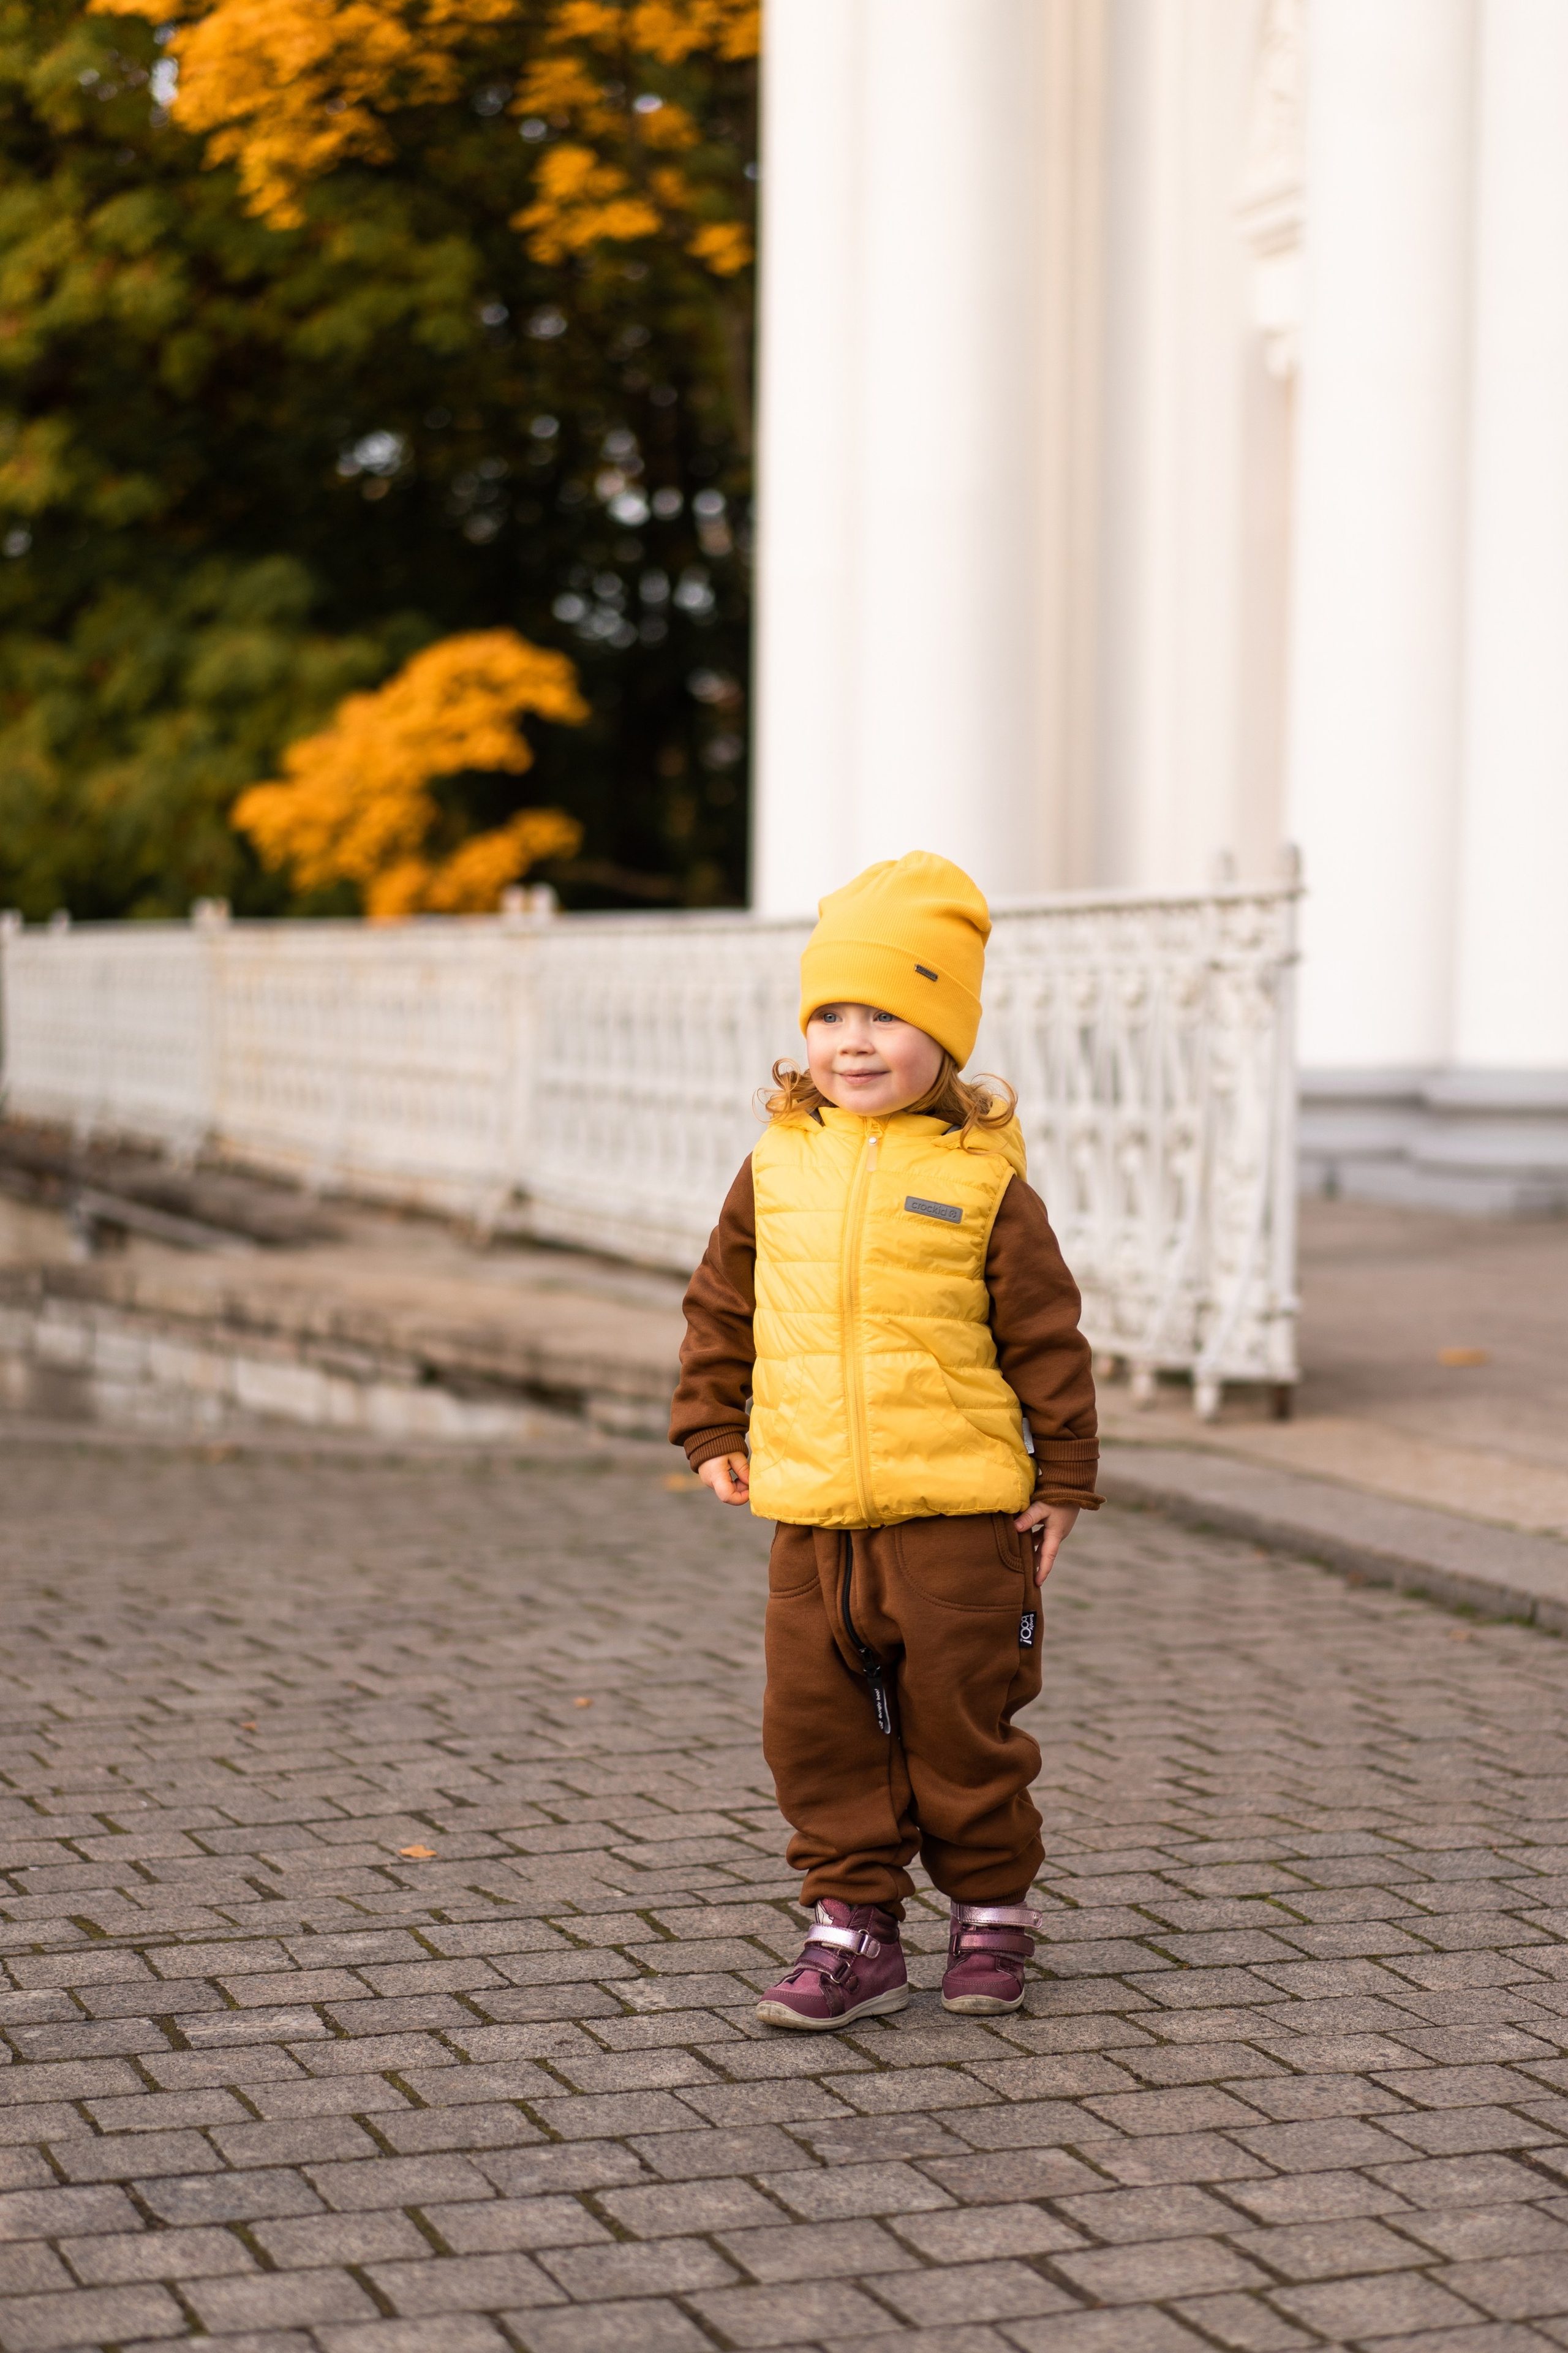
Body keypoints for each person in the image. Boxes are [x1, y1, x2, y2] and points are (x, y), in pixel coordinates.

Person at [669, 851, 1100, 2030]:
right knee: (814, 1729)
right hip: (811, 1515)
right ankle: (852, 1930)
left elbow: (1047, 1338)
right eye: (833, 1014)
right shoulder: (775, 1166)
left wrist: (1064, 1476)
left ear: (947, 1037)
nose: (856, 1042)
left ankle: (994, 1911)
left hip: (957, 1520)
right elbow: (723, 1304)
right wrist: (709, 1422)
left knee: (962, 1730)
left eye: (891, 1016)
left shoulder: (980, 1180)